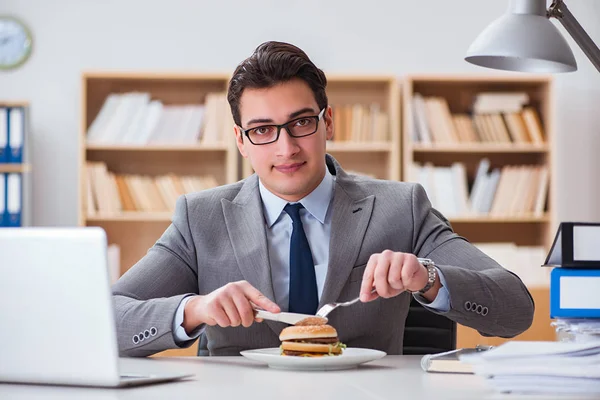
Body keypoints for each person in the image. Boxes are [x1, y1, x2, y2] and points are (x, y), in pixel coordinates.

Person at [112, 41, 534, 357]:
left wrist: (429, 278)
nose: (286, 149)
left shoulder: (401, 207)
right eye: (262, 130)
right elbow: (104, 318)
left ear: (327, 121)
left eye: (301, 123)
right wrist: (194, 309)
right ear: (241, 140)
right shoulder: (200, 218)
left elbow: (516, 309)